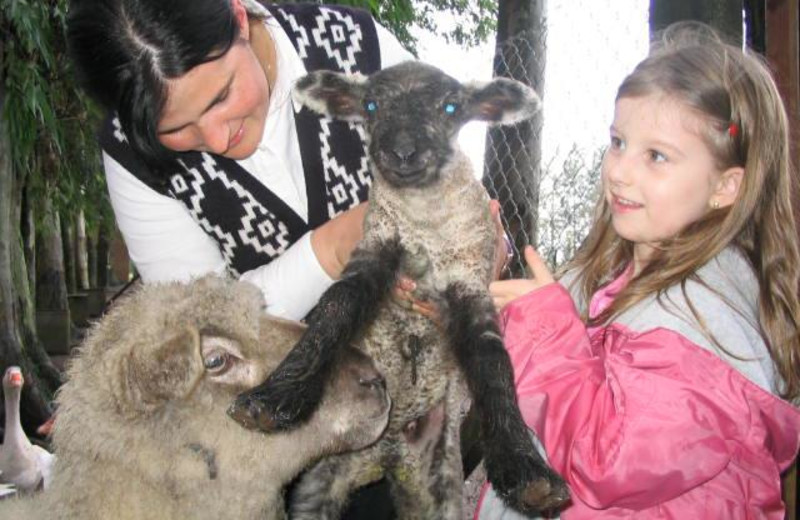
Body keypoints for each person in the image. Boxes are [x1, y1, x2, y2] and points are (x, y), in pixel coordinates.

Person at [478, 22, 800, 519]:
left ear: (726, 187)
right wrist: (484, 297)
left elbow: (605, 459)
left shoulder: (705, 326)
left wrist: (541, 327)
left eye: (656, 156)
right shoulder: (612, 275)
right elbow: (540, 369)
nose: (620, 170)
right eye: (618, 141)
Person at [66, 0, 413, 322]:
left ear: (239, 15)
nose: (216, 140)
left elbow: (449, 204)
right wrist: (333, 248)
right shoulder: (133, 155)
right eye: (177, 128)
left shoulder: (358, 50)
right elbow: (205, 330)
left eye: (221, 97)